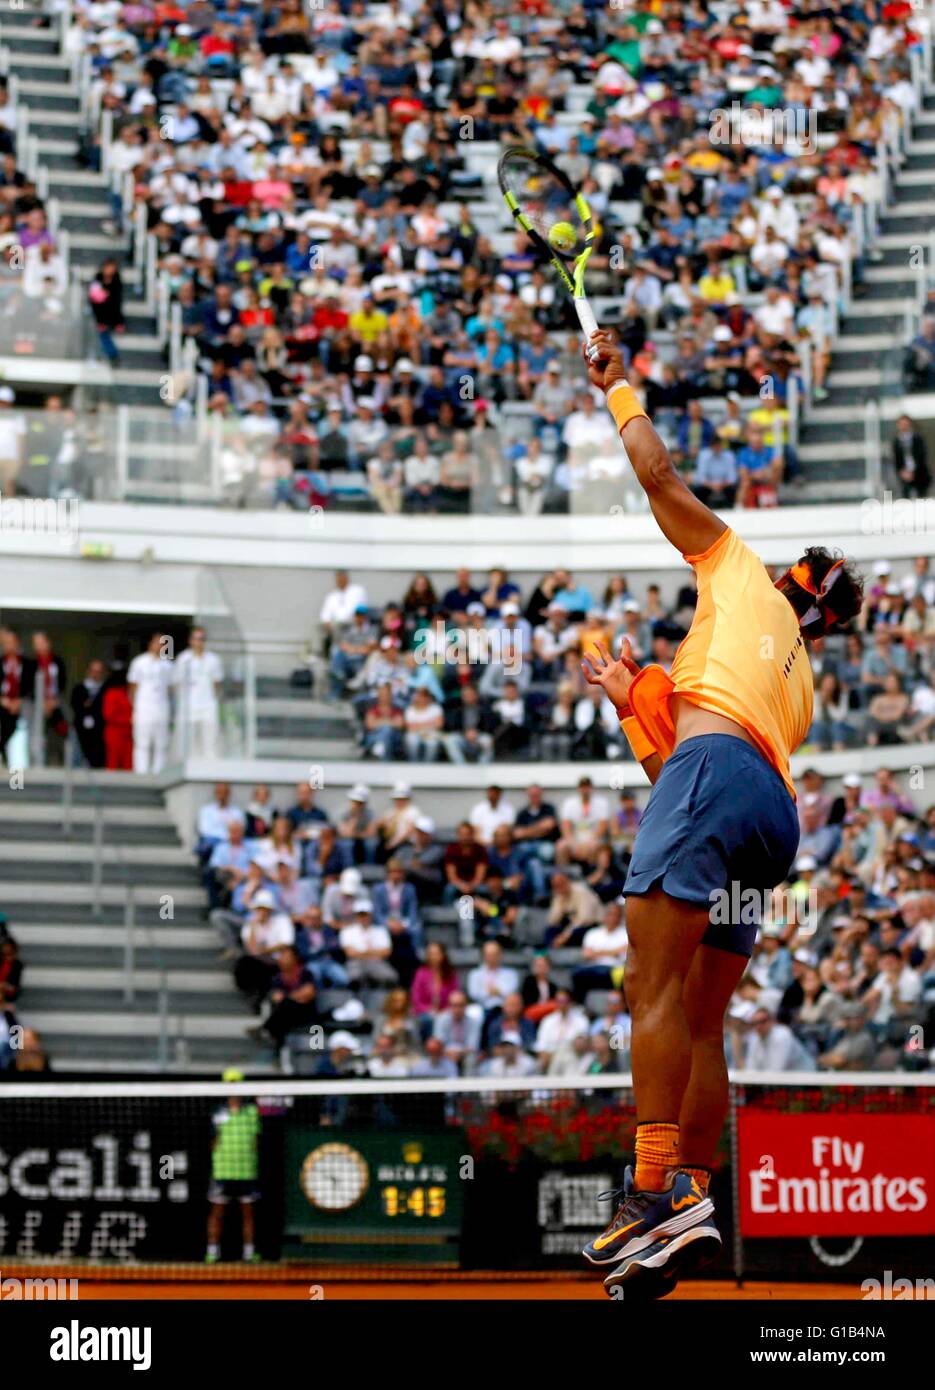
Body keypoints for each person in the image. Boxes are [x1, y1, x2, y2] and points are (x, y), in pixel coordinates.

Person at [576, 328, 863, 1296]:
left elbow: (656, 477)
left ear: (788, 582)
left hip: (710, 773)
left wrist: (618, 390)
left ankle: (652, 1190)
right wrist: (633, 708)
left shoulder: (736, 566)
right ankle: (692, 1190)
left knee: (645, 989)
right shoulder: (801, 685)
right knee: (700, 1021)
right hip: (768, 816)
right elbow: (700, 778)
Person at [205, 1069, 261, 1264]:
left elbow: (255, 1142)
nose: (234, 1088)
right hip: (222, 1171)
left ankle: (249, 1253)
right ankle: (212, 1252)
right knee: (217, 1213)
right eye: (230, 1083)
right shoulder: (217, 1113)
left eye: (237, 1083)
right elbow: (213, 1143)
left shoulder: (252, 1112)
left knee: (248, 1214)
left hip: (247, 1171)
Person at [127, 632, 174, 774]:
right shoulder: (139, 662)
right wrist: (135, 708)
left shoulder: (168, 665)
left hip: (162, 708)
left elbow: (171, 689)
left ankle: (158, 771)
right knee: (142, 742)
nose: (159, 645)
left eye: (162, 643)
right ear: (150, 644)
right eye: (156, 642)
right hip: (143, 708)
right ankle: (141, 772)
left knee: (161, 743)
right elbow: (132, 687)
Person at [174, 626, 223, 759]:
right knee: (189, 745)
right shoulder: (183, 658)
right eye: (196, 638)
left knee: (210, 743)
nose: (199, 642)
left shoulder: (213, 659)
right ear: (190, 640)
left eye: (202, 639)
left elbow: (216, 683)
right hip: (188, 708)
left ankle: (210, 774)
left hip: (207, 707)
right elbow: (177, 683)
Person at [70, 658, 107, 767]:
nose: (95, 674)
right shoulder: (78, 689)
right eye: (93, 671)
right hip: (80, 729)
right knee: (77, 758)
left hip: (98, 733)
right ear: (88, 672)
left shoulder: (105, 690)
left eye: (98, 672)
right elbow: (75, 705)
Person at [101, 663, 134, 771]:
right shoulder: (111, 693)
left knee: (129, 764)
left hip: (129, 734)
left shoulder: (128, 693)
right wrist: (128, 720)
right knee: (113, 763)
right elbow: (108, 715)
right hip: (114, 733)